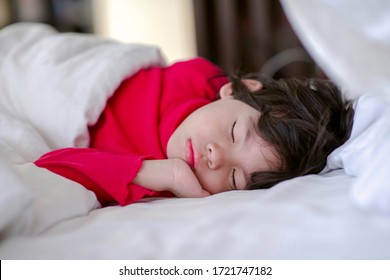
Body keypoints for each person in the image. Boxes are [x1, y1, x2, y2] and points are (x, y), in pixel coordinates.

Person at [35, 57, 354, 206]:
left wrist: (161, 173)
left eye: (233, 178)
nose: (215, 157)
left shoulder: (159, 180)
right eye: (232, 132)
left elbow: (49, 167)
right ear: (239, 89)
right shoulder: (198, 77)